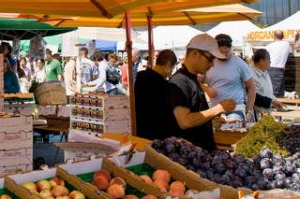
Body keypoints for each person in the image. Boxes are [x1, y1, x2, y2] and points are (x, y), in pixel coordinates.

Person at [166, 34, 236, 152]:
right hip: (189, 156)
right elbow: (185, 121)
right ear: (194, 54)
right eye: (210, 59)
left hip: (201, 152)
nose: (212, 64)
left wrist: (210, 121)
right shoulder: (180, 81)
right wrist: (218, 109)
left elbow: (194, 113)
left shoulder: (192, 79)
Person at [205, 34, 256, 122]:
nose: (224, 55)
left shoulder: (240, 63)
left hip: (236, 109)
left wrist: (250, 110)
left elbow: (251, 87)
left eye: (227, 52)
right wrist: (206, 89)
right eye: (221, 52)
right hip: (215, 110)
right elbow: (197, 81)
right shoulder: (208, 63)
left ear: (231, 48)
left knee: (232, 133)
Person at [135, 49, 177, 141]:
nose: (171, 72)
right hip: (157, 134)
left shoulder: (140, 77)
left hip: (139, 129)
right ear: (168, 65)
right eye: (172, 68)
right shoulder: (164, 86)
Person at [251, 49, 285, 121]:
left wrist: (274, 101)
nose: (270, 62)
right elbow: (255, 97)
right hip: (256, 115)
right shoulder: (251, 75)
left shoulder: (266, 73)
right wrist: (271, 102)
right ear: (261, 61)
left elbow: (268, 93)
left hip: (266, 112)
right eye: (268, 59)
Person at [266, 30, 292, 97]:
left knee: (273, 92)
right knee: (279, 93)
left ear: (274, 36)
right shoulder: (287, 45)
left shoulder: (269, 46)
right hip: (279, 70)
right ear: (283, 36)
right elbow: (291, 53)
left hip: (270, 69)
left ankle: (274, 106)